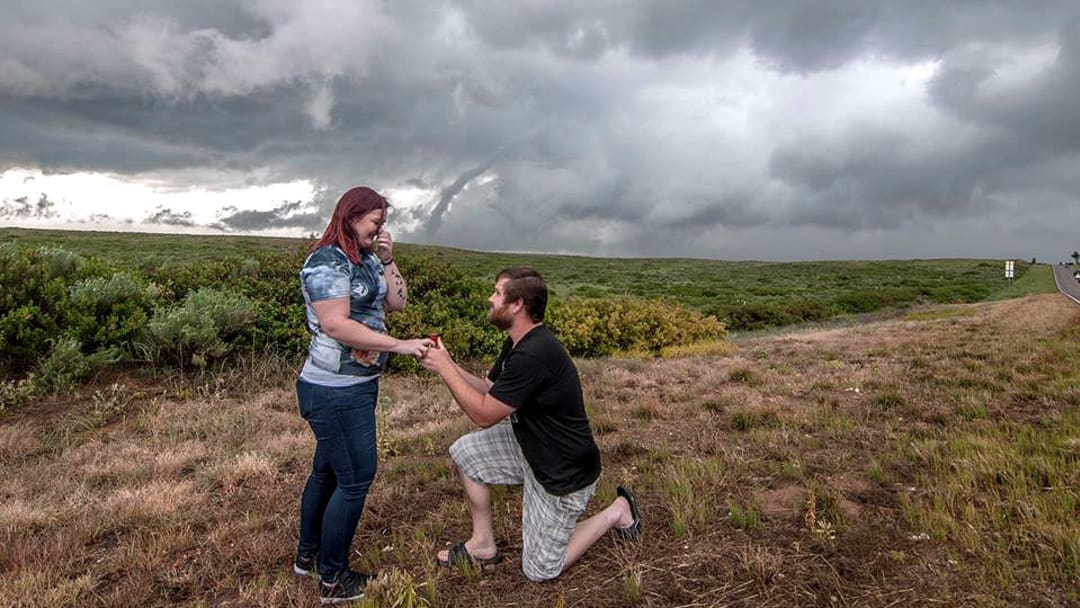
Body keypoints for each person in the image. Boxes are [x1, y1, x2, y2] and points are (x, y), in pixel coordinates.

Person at [418, 267, 642, 582]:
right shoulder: (518, 342)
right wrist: (448, 363)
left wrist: (445, 370)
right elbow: (487, 390)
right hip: (532, 445)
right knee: (466, 452)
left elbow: (484, 415)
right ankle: (482, 545)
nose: (490, 298)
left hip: (561, 471)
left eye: (497, 293)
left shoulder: (535, 353)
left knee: (540, 570)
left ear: (517, 304)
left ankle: (617, 511)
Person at [293, 186, 434, 604]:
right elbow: (335, 324)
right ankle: (334, 581)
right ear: (351, 217)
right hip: (333, 389)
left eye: (383, 223)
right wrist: (399, 345)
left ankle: (309, 557)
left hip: (356, 385)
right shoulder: (326, 261)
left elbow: (397, 304)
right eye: (375, 222)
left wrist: (388, 260)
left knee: (328, 473)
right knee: (355, 479)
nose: (380, 229)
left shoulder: (367, 259)